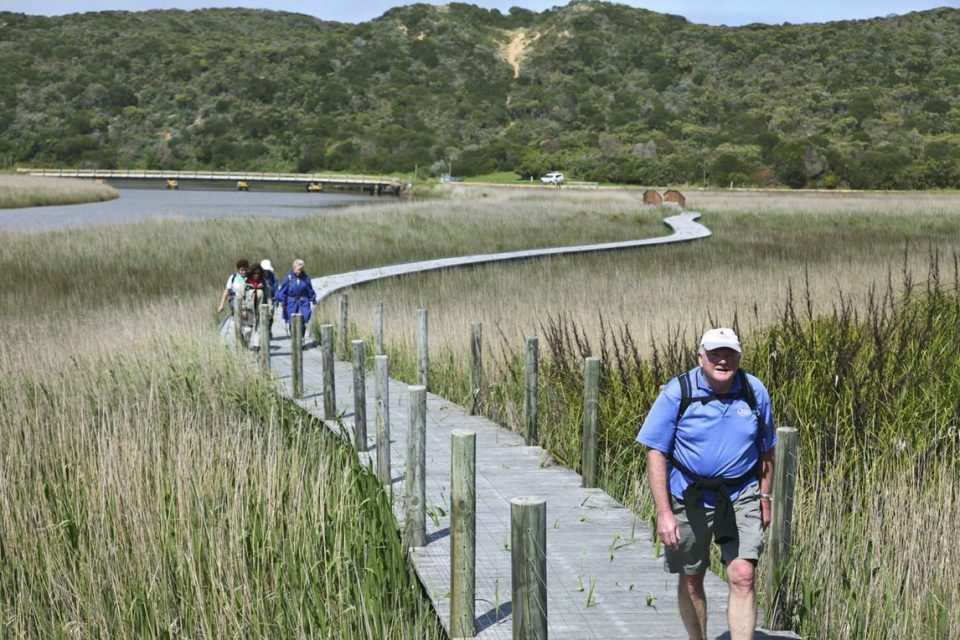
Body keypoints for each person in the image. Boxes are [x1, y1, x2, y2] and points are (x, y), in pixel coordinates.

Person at [636, 328, 776, 640]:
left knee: (743, 575)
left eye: (730, 354)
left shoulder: (754, 392)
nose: (723, 360)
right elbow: (655, 450)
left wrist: (764, 497)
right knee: (691, 577)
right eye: (715, 354)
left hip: (741, 493)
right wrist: (663, 512)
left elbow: (767, 449)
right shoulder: (678, 392)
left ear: (739, 357)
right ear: (701, 357)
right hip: (689, 495)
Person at [274, 258, 317, 329]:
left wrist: (314, 300)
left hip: (303, 302)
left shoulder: (306, 278)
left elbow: (310, 290)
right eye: (298, 270)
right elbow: (282, 291)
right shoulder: (289, 278)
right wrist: (282, 301)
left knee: (303, 320)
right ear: (294, 268)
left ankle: (301, 338)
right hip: (291, 303)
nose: (299, 272)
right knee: (292, 321)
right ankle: (294, 338)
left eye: (301, 270)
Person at [240, 265, 266, 349]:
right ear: (251, 274)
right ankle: (246, 342)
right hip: (248, 310)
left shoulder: (263, 284)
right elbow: (241, 297)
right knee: (248, 330)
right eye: (254, 273)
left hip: (260, 310)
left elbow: (268, 297)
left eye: (258, 273)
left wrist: (270, 310)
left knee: (258, 329)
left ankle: (256, 348)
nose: (256, 275)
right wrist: (243, 309)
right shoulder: (246, 284)